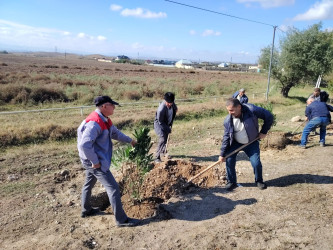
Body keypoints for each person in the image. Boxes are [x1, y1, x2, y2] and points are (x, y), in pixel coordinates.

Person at [77, 95, 140, 227]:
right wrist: (95, 161)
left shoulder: (104, 119)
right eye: (112, 105)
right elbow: (85, 145)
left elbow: (115, 133)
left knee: (89, 183)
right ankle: (121, 220)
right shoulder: (95, 122)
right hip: (94, 161)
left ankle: (86, 209)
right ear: (104, 106)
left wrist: (131, 141)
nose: (114, 107)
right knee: (113, 189)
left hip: (91, 160)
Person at [219, 98, 273, 191]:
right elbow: (226, 137)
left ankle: (259, 181)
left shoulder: (252, 110)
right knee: (229, 160)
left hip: (251, 142)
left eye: (232, 110)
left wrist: (264, 131)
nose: (230, 113)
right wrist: (222, 154)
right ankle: (231, 181)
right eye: (228, 110)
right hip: (235, 143)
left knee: (256, 163)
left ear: (239, 107)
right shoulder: (228, 120)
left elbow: (269, 116)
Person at [154, 92, 177, 163]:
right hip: (159, 125)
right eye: (168, 103)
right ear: (165, 101)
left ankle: (163, 152)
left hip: (167, 123)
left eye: (171, 102)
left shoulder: (172, 104)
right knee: (162, 139)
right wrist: (167, 128)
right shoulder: (161, 109)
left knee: (166, 138)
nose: (170, 104)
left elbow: (175, 108)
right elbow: (160, 122)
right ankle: (157, 157)